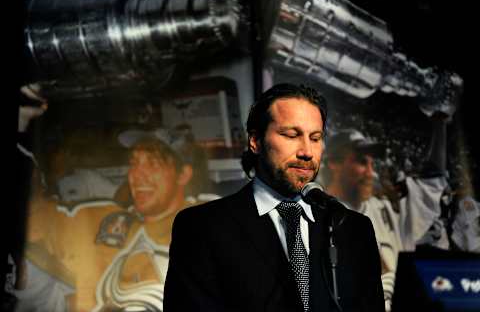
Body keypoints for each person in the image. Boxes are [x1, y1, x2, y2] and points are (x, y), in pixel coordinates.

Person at [163, 83, 385, 312]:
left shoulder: (354, 228)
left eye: (316, 138)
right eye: (291, 135)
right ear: (255, 141)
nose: (307, 151)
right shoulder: (201, 228)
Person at [13, 128, 207, 311]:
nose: (136, 174)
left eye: (153, 163)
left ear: (183, 175)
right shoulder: (110, 220)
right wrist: (29, 282)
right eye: (134, 163)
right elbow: (70, 301)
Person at [321, 112, 451, 311]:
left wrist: (440, 121)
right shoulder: (312, 218)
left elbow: (432, 182)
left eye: (372, 164)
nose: (370, 172)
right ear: (334, 163)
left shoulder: (389, 210)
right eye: (361, 162)